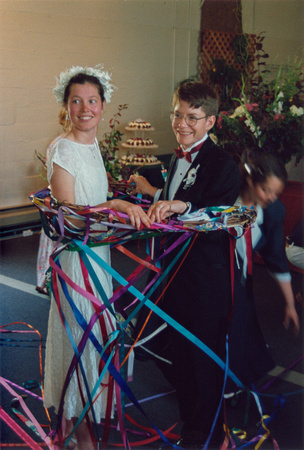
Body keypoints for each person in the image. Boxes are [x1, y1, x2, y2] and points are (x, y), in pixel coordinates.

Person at [43, 64, 151, 450]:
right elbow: (71, 216)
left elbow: (95, 211)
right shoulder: (63, 148)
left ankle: (81, 416)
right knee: (79, 335)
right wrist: (117, 203)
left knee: (96, 338)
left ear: (103, 106)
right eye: (77, 101)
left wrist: (123, 211)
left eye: (92, 101)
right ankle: (78, 428)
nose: (85, 108)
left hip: (98, 256)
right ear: (66, 106)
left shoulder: (92, 146)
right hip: (77, 259)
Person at [129, 81, 240, 448]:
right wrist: (158, 197)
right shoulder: (176, 157)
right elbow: (178, 198)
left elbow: (220, 215)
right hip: (171, 275)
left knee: (202, 359)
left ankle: (206, 432)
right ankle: (193, 418)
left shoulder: (225, 163)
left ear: (211, 121)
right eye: (178, 114)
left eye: (192, 117)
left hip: (206, 282)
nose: (182, 123)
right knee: (166, 348)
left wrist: (183, 208)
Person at [228, 151, 300, 390]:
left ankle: (232, 383)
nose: (271, 198)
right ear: (250, 181)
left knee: (241, 330)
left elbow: (276, 259)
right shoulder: (225, 198)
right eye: (266, 190)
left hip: (241, 279)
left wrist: (290, 304)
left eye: (276, 193)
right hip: (214, 276)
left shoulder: (272, 211)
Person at [36, 108, 71, 295]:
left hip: (54, 197)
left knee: (51, 240)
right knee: (56, 240)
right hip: (60, 199)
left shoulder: (56, 142)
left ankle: (45, 279)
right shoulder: (62, 144)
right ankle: (49, 280)